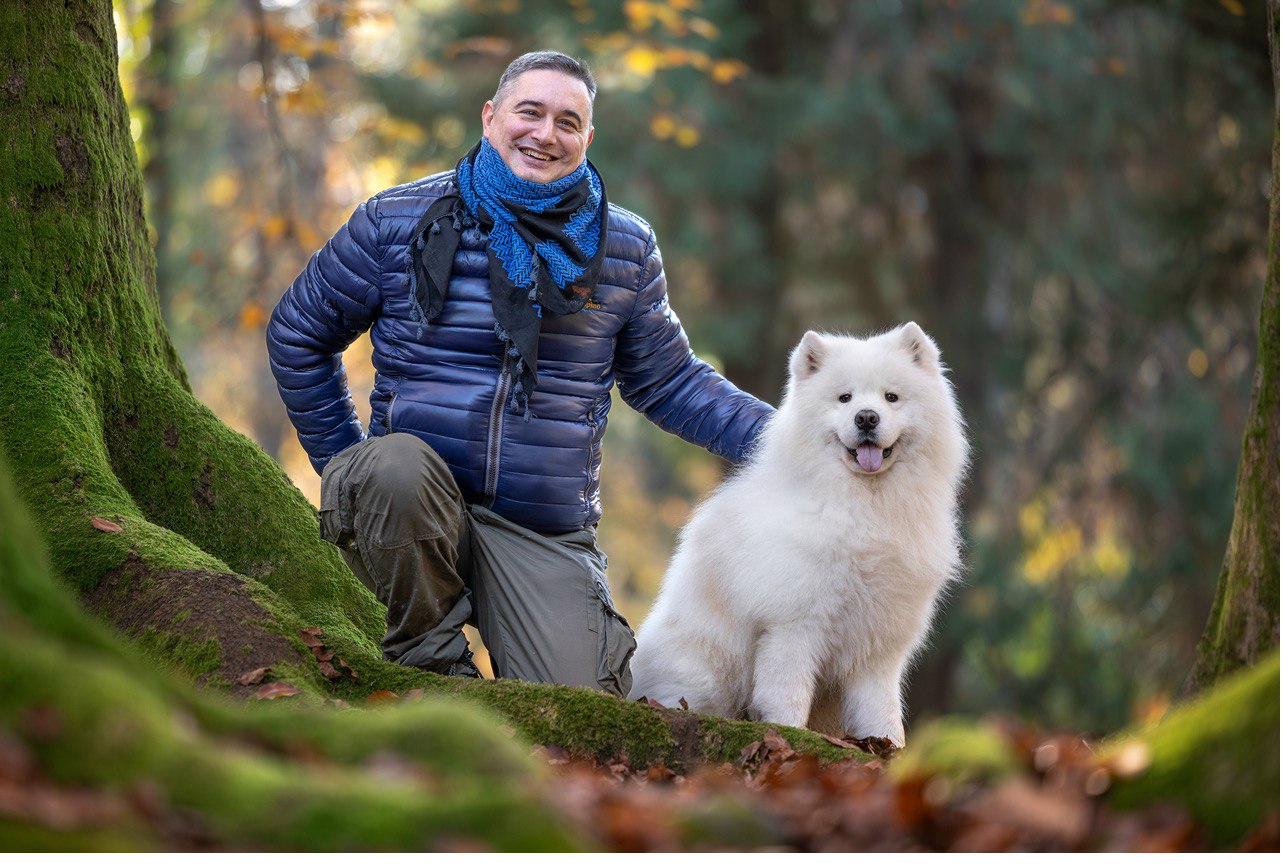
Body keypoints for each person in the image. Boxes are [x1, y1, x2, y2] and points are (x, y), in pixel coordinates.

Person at [267, 51, 773, 696]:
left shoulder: (623, 249)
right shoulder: (397, 220)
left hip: (541, 528)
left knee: (583, 714)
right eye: (528, 112)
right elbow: (297, 334)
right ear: (490, 117)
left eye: (568, 122)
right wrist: (345, 465)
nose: (545, 133)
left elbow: (671, 384)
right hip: (410, 509)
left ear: (587, 141)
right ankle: (437, 676)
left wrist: (796, 439)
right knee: (392, 468)